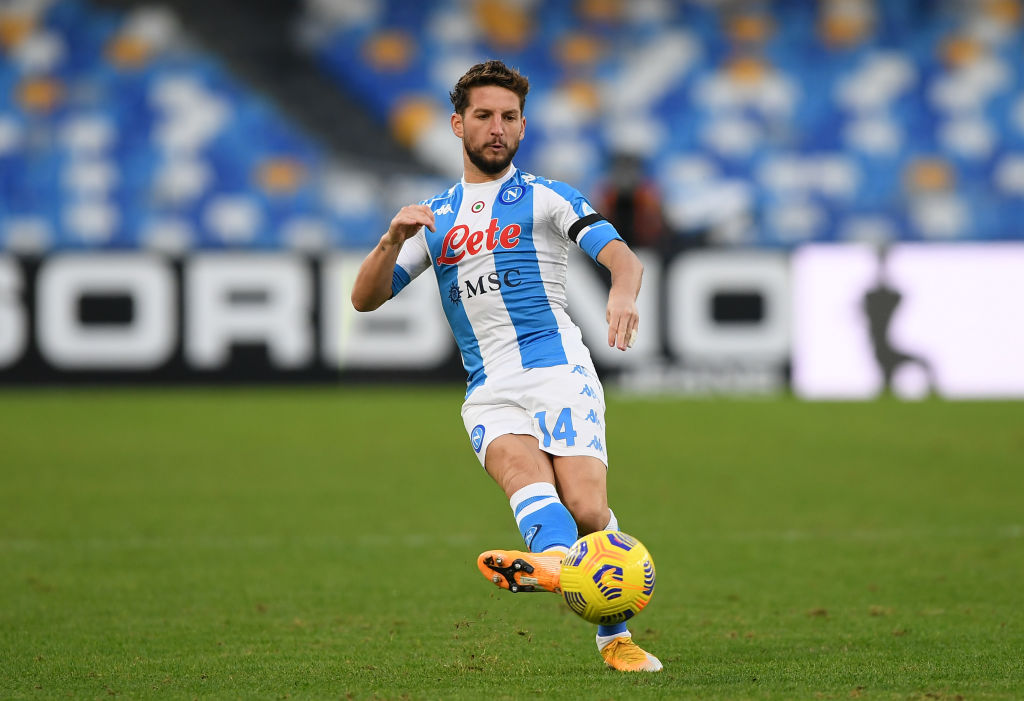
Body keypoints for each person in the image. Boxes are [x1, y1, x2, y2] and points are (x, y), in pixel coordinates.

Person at [350, 60, 661, 673]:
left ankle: (566, 576)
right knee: (530, 485)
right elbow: (364, 299)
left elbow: (623, 258)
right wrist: (391, 241)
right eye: (485, 116)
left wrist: (622, 294)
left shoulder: (547, 197)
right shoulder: (434, 218)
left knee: (587, 511)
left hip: (558, 370)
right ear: (457, 124)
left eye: (510, 117)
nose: (497, 128)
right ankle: (603, 625)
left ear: (522, 127)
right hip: (489, 388)